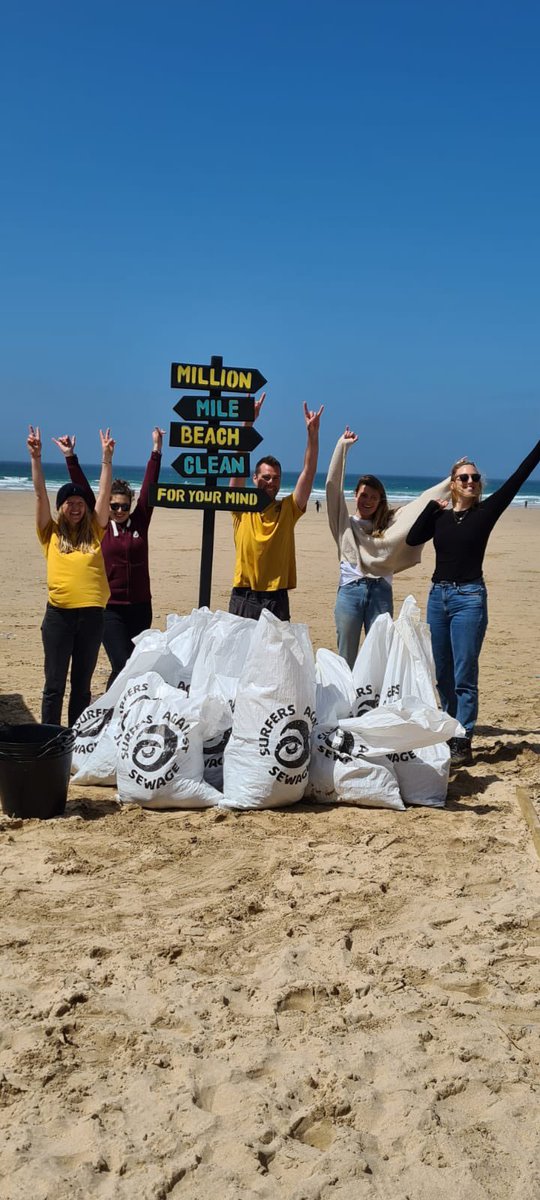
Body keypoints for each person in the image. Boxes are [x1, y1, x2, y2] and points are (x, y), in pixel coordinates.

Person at [406, 438, 540, 766]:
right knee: (443, 672)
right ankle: (449, 729)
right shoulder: (439, 517)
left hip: (469, 598)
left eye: (475, 478)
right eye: (463, 478)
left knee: (465, 671)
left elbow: (519, 477)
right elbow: (413, 537)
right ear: (453, 484)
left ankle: (463, 737)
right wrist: (432, 505)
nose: (470, 482)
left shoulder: (486, 512)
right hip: (438, 597)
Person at [326, 428, 450, 667]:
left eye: (374, 496)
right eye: (364, 495)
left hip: (380, 591)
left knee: (380, 656)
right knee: (346, 657)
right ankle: (346, 703)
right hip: (350, 592)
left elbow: (420, 503)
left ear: (380, 500)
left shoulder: (390, 524)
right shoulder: (344, 524)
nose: (368, 500)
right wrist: (342, 447)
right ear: (356, 496)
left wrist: (450, 480)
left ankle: (374, 703)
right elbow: (332, 486)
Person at [55, 428, 165, 686]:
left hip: (140, 607)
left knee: (133, 664)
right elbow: (84, 490)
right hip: (110, 608)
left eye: (124, 506)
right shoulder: (100, 527)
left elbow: (149, 488)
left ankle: (118, 710)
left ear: (130, 506)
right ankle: (110, 708)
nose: (118, 510)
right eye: (113, 506)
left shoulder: (140, 522)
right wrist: (70, 457)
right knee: (121, 661)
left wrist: (156, 450)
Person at [27, 425, 114, 727]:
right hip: (58, 618)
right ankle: (50, 738)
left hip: (92, 618)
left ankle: (76, 741)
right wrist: (36, 458)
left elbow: (103, 494)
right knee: (54, 686)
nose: (76, 508)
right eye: (69, 503)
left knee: (82, 687)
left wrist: (106, 459)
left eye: (80, 504)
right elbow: (39, 494)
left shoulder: (95, 531)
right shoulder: (48, 533)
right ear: (61, 508)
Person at [228, 397, 324, 620]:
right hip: (244, 595)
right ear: (254, 478)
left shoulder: (288, 509)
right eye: (266, 477)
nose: (271, 482)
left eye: (276, 478)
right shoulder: (242, 508)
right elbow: (236, 472)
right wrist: (247, 425)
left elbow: (308, 472)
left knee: (277, 656)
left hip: (276, 598)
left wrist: (313, 436)